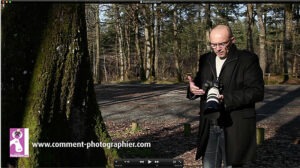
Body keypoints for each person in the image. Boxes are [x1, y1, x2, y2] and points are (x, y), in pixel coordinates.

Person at [187, 24, 264, 168]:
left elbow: (257, 91)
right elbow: (198, 82)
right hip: (210, 123)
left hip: (235, 124)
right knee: (209, 165)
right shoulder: (206, 59)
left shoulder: (247, 59)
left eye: (222, 44)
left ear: (232, 40)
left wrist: (226, 98)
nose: (217, 49)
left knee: (233, 164)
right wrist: (192, 89)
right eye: (213, 45)